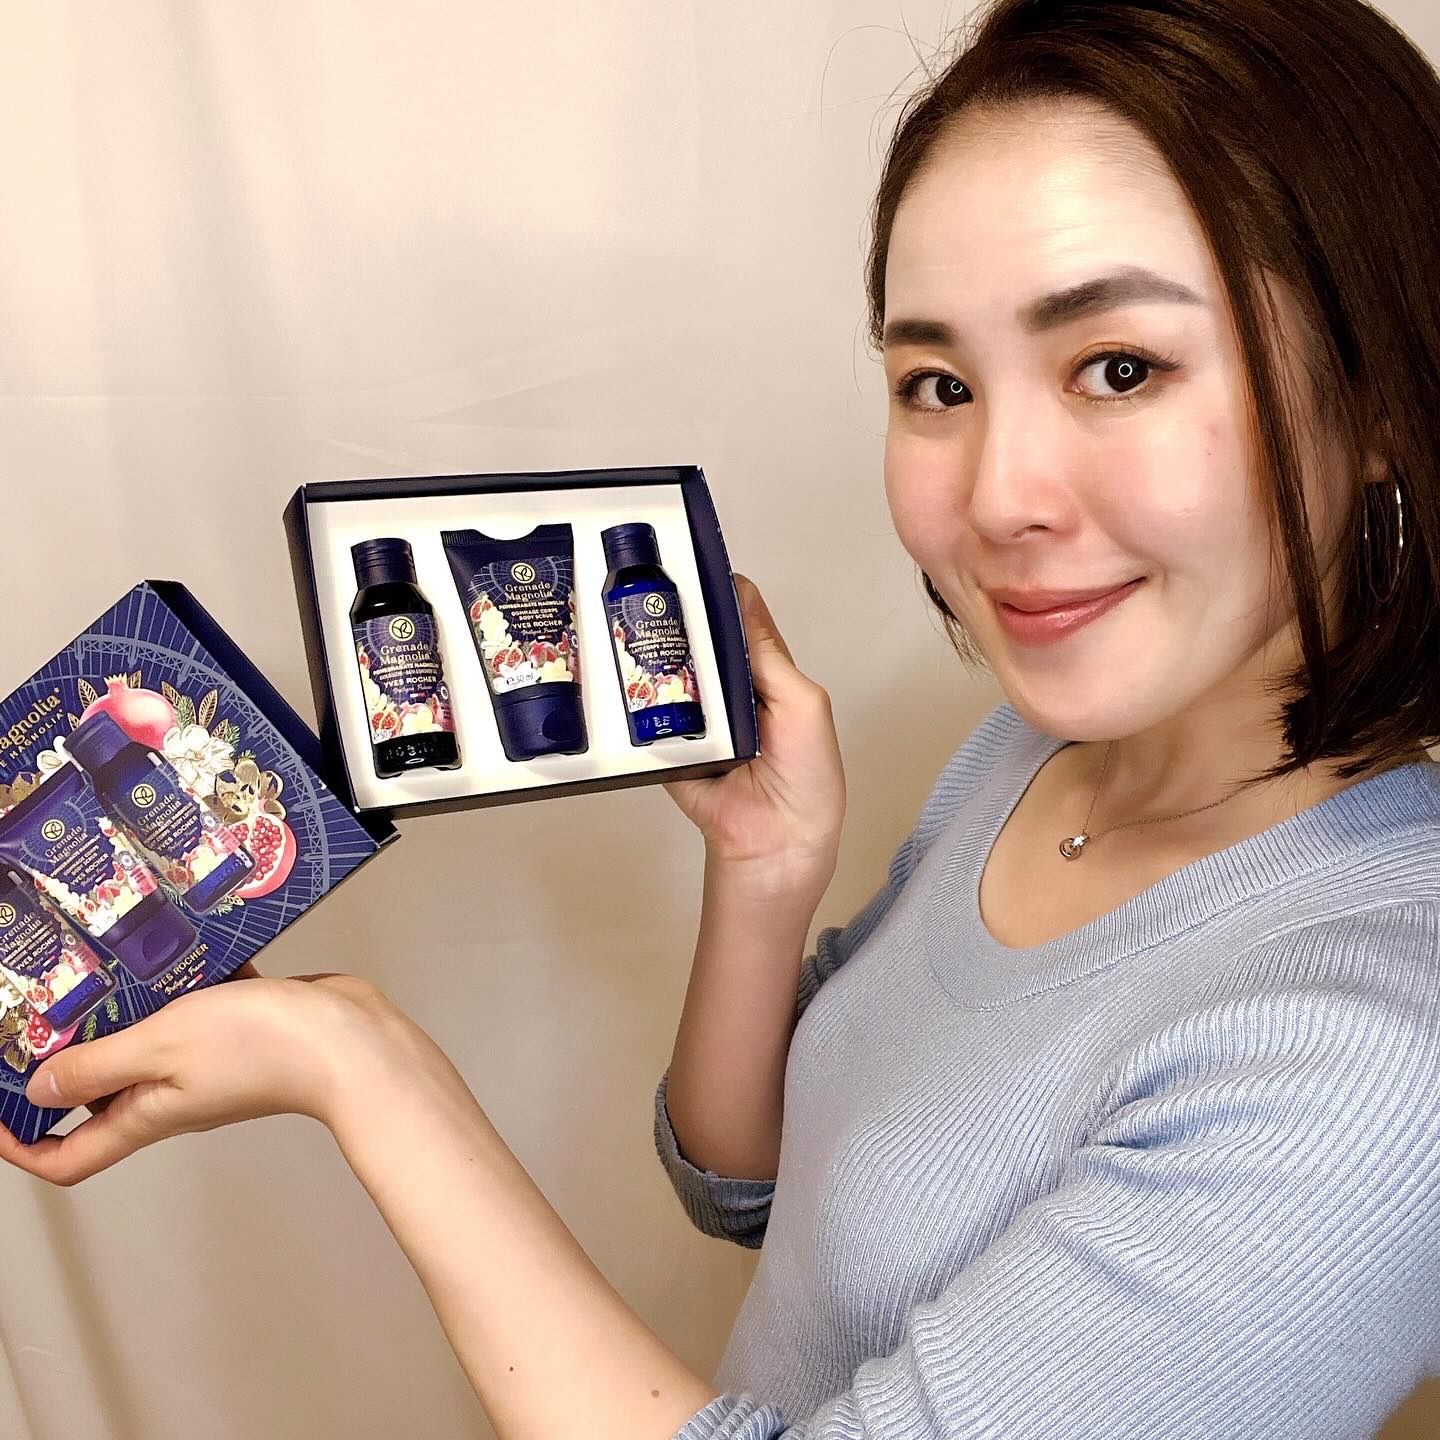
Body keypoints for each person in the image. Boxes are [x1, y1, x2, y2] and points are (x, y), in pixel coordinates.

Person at [4, 0, 1440, 1435]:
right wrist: (765, 870)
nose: (999, 497)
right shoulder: (1035, 753)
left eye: (1120, 369)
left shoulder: (1371, 1062)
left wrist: (359, 1065)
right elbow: (750, 1185)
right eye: (938, 385)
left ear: (1381, 394)